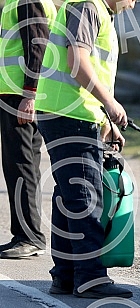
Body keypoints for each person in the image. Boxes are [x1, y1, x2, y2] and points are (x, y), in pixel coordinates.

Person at [34, 0, 136, 298]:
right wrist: (110, 104)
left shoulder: (96, 9)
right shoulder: (87, 6)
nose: (134, 4)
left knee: (70, 195)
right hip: (68, 115)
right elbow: (77, 62)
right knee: (84, 198)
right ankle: (90, 277)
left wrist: (105, 120)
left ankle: (66, 276)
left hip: (71, 112)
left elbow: (94, 70)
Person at [0, 0, 57, 259]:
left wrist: (30, 94)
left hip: (19, 96)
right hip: (15, 94)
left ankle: (29, 237)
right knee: (22, 165)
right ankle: (27, 235)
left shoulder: (28, 0)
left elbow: (37, 46)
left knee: (20, 165)